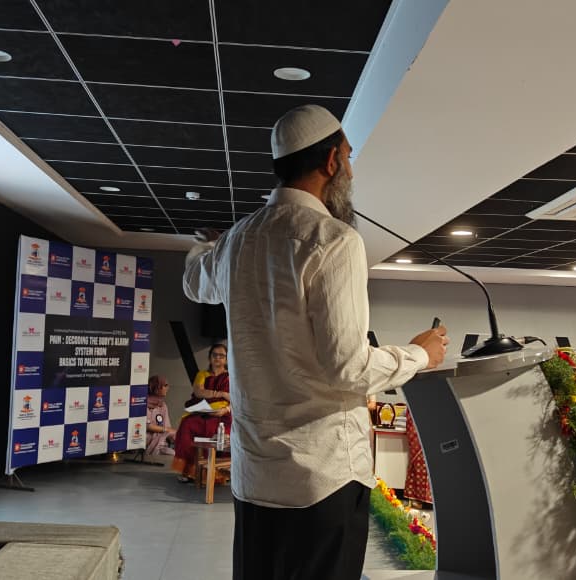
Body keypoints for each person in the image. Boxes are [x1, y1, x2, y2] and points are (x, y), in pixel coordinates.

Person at [182, 104, 448, 580]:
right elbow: (348, 367)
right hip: (322, 479)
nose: (351, 171)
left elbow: (192, 282)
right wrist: (419, 355)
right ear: (331, 162)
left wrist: (207, 245)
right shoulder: (334, 240)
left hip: (254, 478)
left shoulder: (237, 241)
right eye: (349, 157)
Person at [170, 343, 231, 483]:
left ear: (226, 359)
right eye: (214, 355)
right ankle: (188, 471)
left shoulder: (230, 377)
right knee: (186, 425)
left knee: (214, 431)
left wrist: (225, 410)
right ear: (209, 357)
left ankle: (216, 474)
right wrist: (221, 393)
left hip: (223, 415)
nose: (217, 358)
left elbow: (237, 399)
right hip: (202, 412)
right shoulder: (202, 374)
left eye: (221, 356)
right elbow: (199, 392)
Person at [145, 375, 176, 456]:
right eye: (165, 385)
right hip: (146, 441)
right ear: (156, 388)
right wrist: (166, 430)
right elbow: (147, 425)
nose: (167, 388)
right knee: (172, 455)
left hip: (161, 441)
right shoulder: (142, 403)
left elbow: (167, 426)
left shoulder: (163, 405)